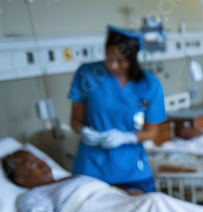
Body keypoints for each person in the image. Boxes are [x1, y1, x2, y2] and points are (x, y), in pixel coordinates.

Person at [69, 26, 167, 193]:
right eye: (109, 57)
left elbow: (152, 132)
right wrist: (83, 131)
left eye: (120, 60)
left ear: (133, 58)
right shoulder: (87, 74)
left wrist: (127, 138)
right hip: (90, 168)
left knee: (148, 208)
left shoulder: (150, 85)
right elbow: (75, 121)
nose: (113, 65)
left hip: (133, 169)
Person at [1, 149, 121, 212]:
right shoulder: (32, 197)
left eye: (38, 159)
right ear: (20, 179)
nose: (42, 164)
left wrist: (127, 193)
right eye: (31, 164)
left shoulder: (67, 178)